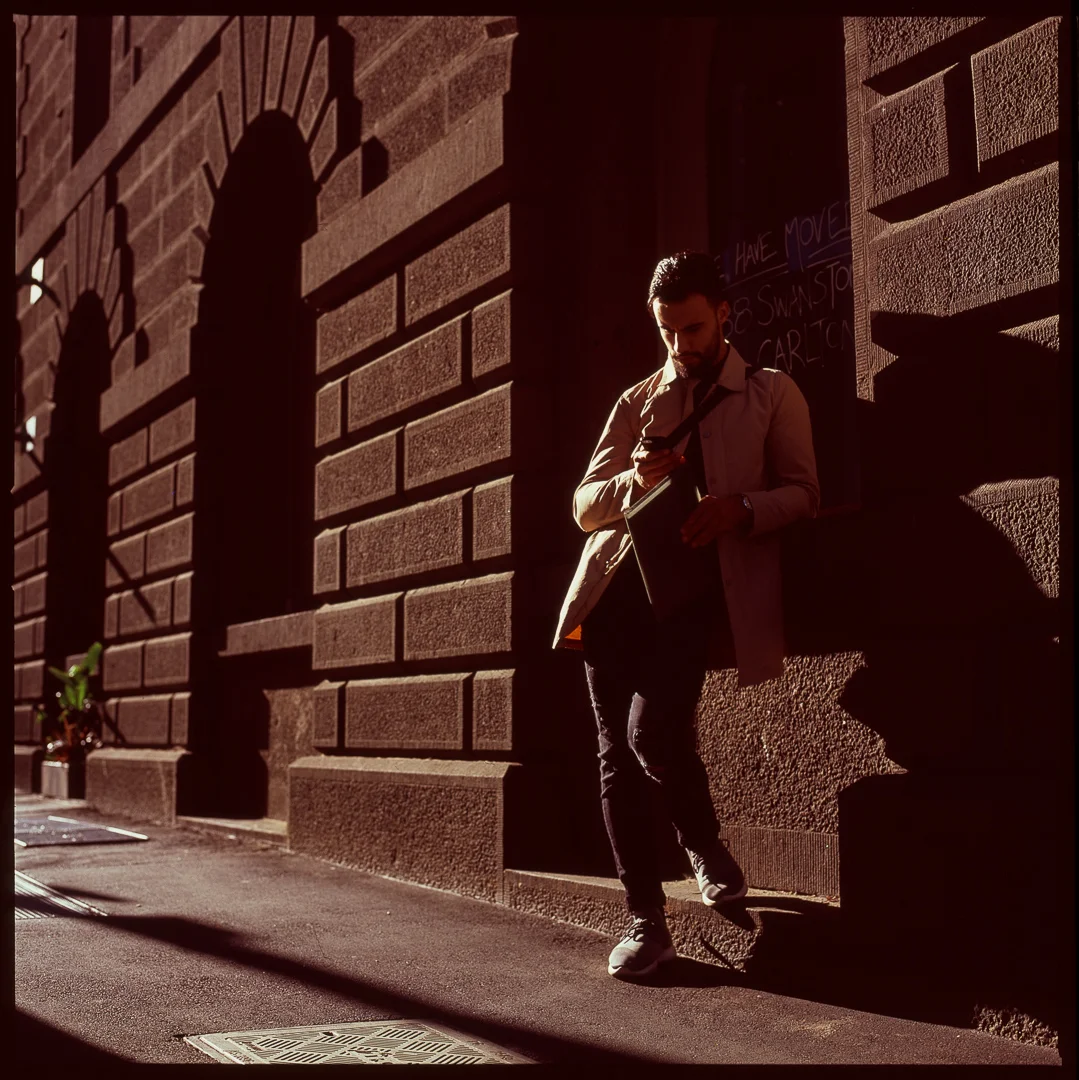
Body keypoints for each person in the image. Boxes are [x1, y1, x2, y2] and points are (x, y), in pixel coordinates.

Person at [552, 252, 819, 980]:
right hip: (614, 597)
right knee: (616, 755)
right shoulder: (637, 400)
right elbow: (582, 507)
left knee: (651, 733)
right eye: (667, 330)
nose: (680, 343)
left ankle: (699, 840)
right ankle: (646, 921)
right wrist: (631, 481)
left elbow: (804, 493)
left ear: (724, 313)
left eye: (693, 327)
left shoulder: (770, 392)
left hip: (692, 601)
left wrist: (739, 509)